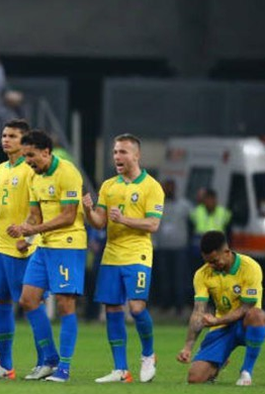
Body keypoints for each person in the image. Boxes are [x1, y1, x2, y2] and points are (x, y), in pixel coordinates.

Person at [82, 133, 164, 383]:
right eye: (115, 152)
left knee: (137, 308)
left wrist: (124, 219)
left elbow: (153, 224)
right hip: (111, 254)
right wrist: (87, 209)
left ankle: (148, 355)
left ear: (136, 155)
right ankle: (121, 369)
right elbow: (99, 223)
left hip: (138, 254)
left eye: (123, 152)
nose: (117, 156)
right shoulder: (109, 186)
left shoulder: (151, 186)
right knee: (112, 308)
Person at [7, 129, 87, 382]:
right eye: (24, 156)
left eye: (31, 155)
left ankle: (64, 368)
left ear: (46, 152)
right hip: (44, 245)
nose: (28, 161)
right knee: (28, 300)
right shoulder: (34, 176)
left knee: (65, 304)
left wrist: (34, 230)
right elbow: (34, 216)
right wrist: (25, 235)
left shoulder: (68, 172)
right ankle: (49, 360)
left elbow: (68, 216)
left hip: (68, 244)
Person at [0, 119, 45, 380]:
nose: (6, 139)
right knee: (1, 305)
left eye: (12, 136)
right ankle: (6, 365)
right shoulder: (0, 169)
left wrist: (29, 236)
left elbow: (40, 211)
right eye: (4, 135)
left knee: (32, 305)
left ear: (25, 141)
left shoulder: (31, 170)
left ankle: (44, 363)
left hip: (24, 248)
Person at [177, 231, 265, 386]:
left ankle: (246, 371)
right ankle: (220, 362)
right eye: (207, 262)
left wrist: (217, 319)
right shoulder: (202, 274)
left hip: (245, 324)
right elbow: (198, 311)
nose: (211, 266)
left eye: (214, 261)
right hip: (222, 328)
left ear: (226, 252)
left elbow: (246, 308)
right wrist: (188, 347)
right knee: (195, 379)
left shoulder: (250, 267)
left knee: (257, 314)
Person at [154, 179, 192, 315]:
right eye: (166, 187)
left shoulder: (184, 206)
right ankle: (165, 305)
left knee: (179, 278)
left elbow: (192, 222)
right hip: (163, 247)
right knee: (164, 278)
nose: (169, 190)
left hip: (179, 247)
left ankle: (179, 306)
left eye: (171, 187)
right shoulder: (158, 205)